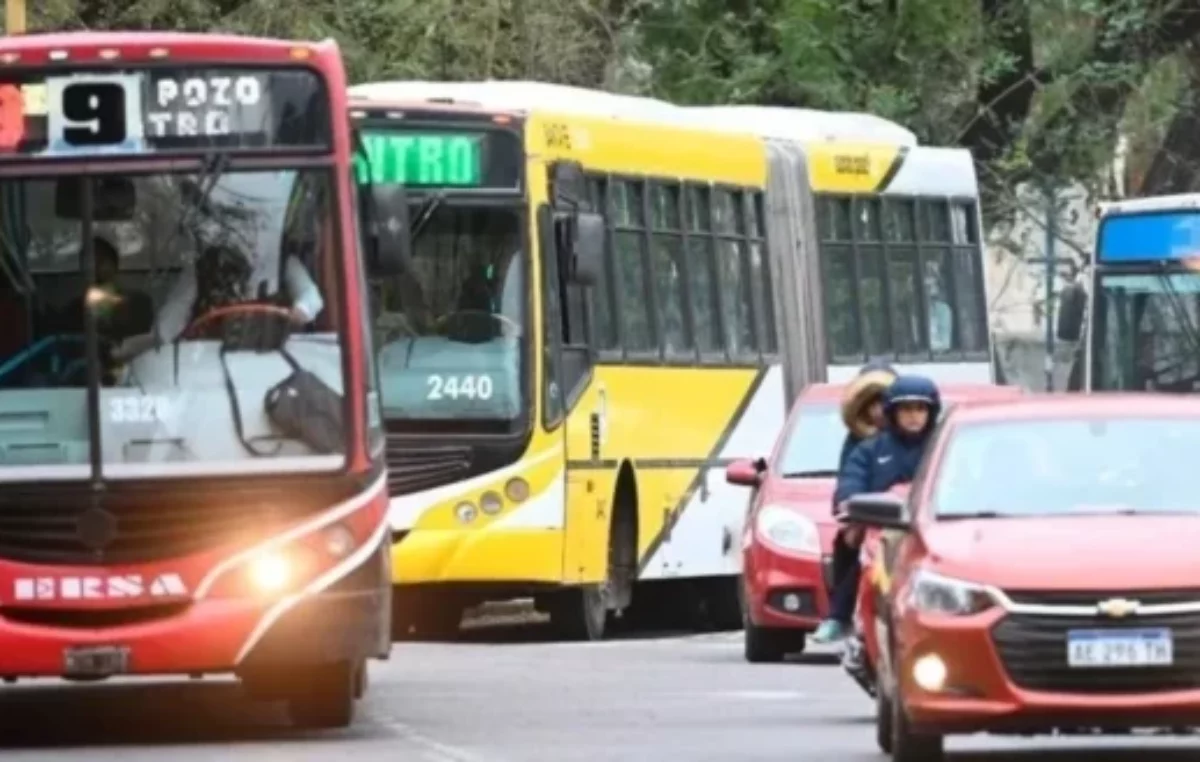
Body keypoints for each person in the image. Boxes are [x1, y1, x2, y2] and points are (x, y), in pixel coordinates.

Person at [811, 373, 942, 643]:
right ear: (892, 412)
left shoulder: (944, 446)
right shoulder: (869, 450)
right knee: (855, 550)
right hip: (881, 530)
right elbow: (849, 486)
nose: (914, 416)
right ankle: (839, 616)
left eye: (920, 408)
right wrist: (854, 509)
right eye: (906, 409)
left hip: (936, 531)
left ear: (932, 411)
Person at [112, 244, 323, 362]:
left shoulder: (280, 258)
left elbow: (310, 296)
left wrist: (301, 310)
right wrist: (158, 337)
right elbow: (175, 312)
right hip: (210, 358)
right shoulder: (201, 266)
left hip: (270, 354)